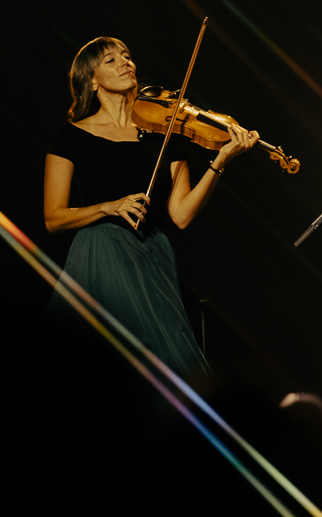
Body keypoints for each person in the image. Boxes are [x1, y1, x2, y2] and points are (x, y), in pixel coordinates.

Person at [43, 36, 257, 380]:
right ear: (91, 80)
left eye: (127, 56)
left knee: (172, 359)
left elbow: (181, 216)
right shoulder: (71, 136)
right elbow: (53, 218)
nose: (125, 63)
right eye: (111, 60)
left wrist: (221, 160)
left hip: (153, 252)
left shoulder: (164, 132)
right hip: (102, 254)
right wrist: (108, 207)